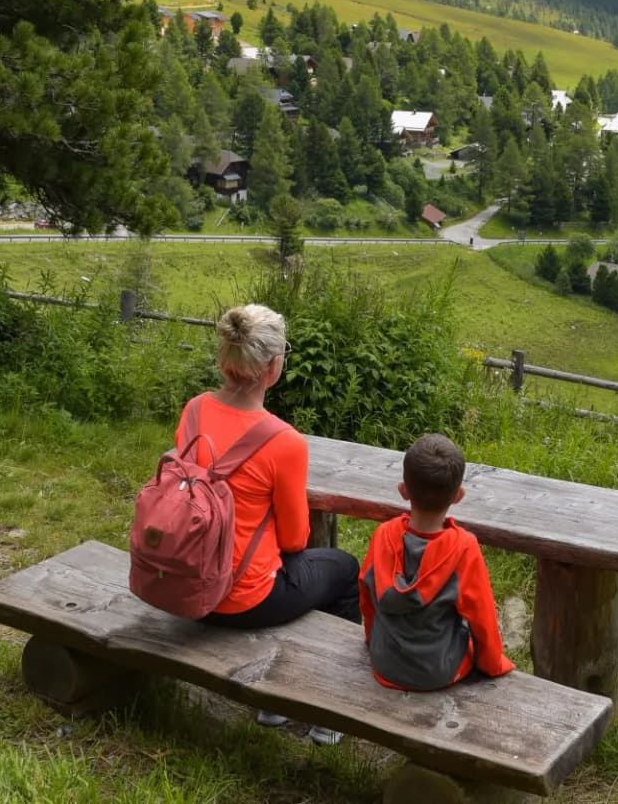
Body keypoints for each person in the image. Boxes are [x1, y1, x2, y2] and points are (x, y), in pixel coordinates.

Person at [183, 303, 359, 742]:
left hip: (190, 585)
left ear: (225, 358)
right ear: (274, 366)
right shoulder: (284, 441)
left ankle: (272, 703)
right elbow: (297, 538)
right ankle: (326, 709)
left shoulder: (195, 411)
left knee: (307, 570)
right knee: (345, 569)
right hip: (243, 601)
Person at [358, 433, 514, 690]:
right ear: (458, 495)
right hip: (439, 671)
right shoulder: (464, 547)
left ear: (403, 490)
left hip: (384, 661)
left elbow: (367, 594)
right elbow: (482, 617)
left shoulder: (383, 535)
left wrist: (372, 639)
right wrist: (492, 664)